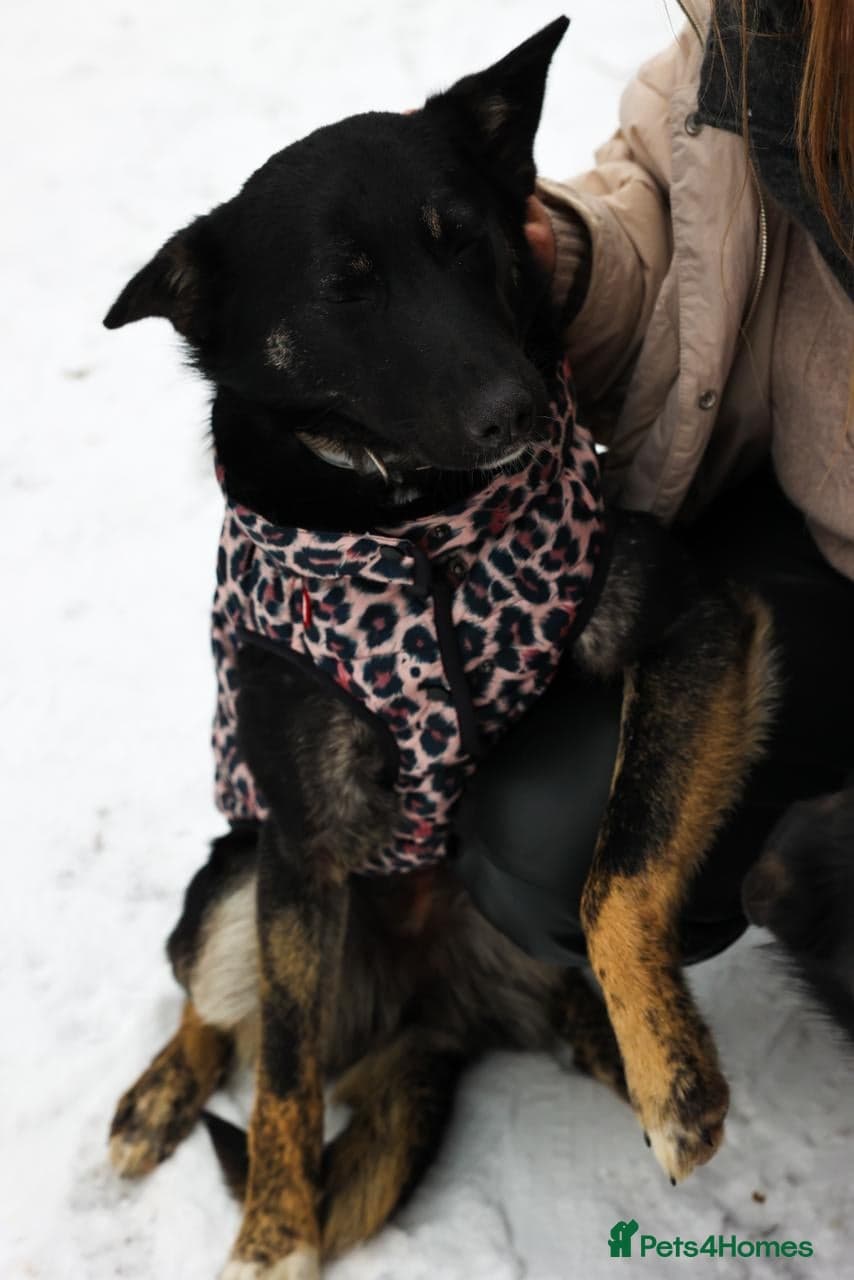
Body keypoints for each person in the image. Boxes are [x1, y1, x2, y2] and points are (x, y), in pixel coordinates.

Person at [452, 0, 854, 995]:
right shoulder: (771, 28)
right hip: (823, 530)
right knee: (551, 835)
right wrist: (555, 264)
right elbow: (676, 219)